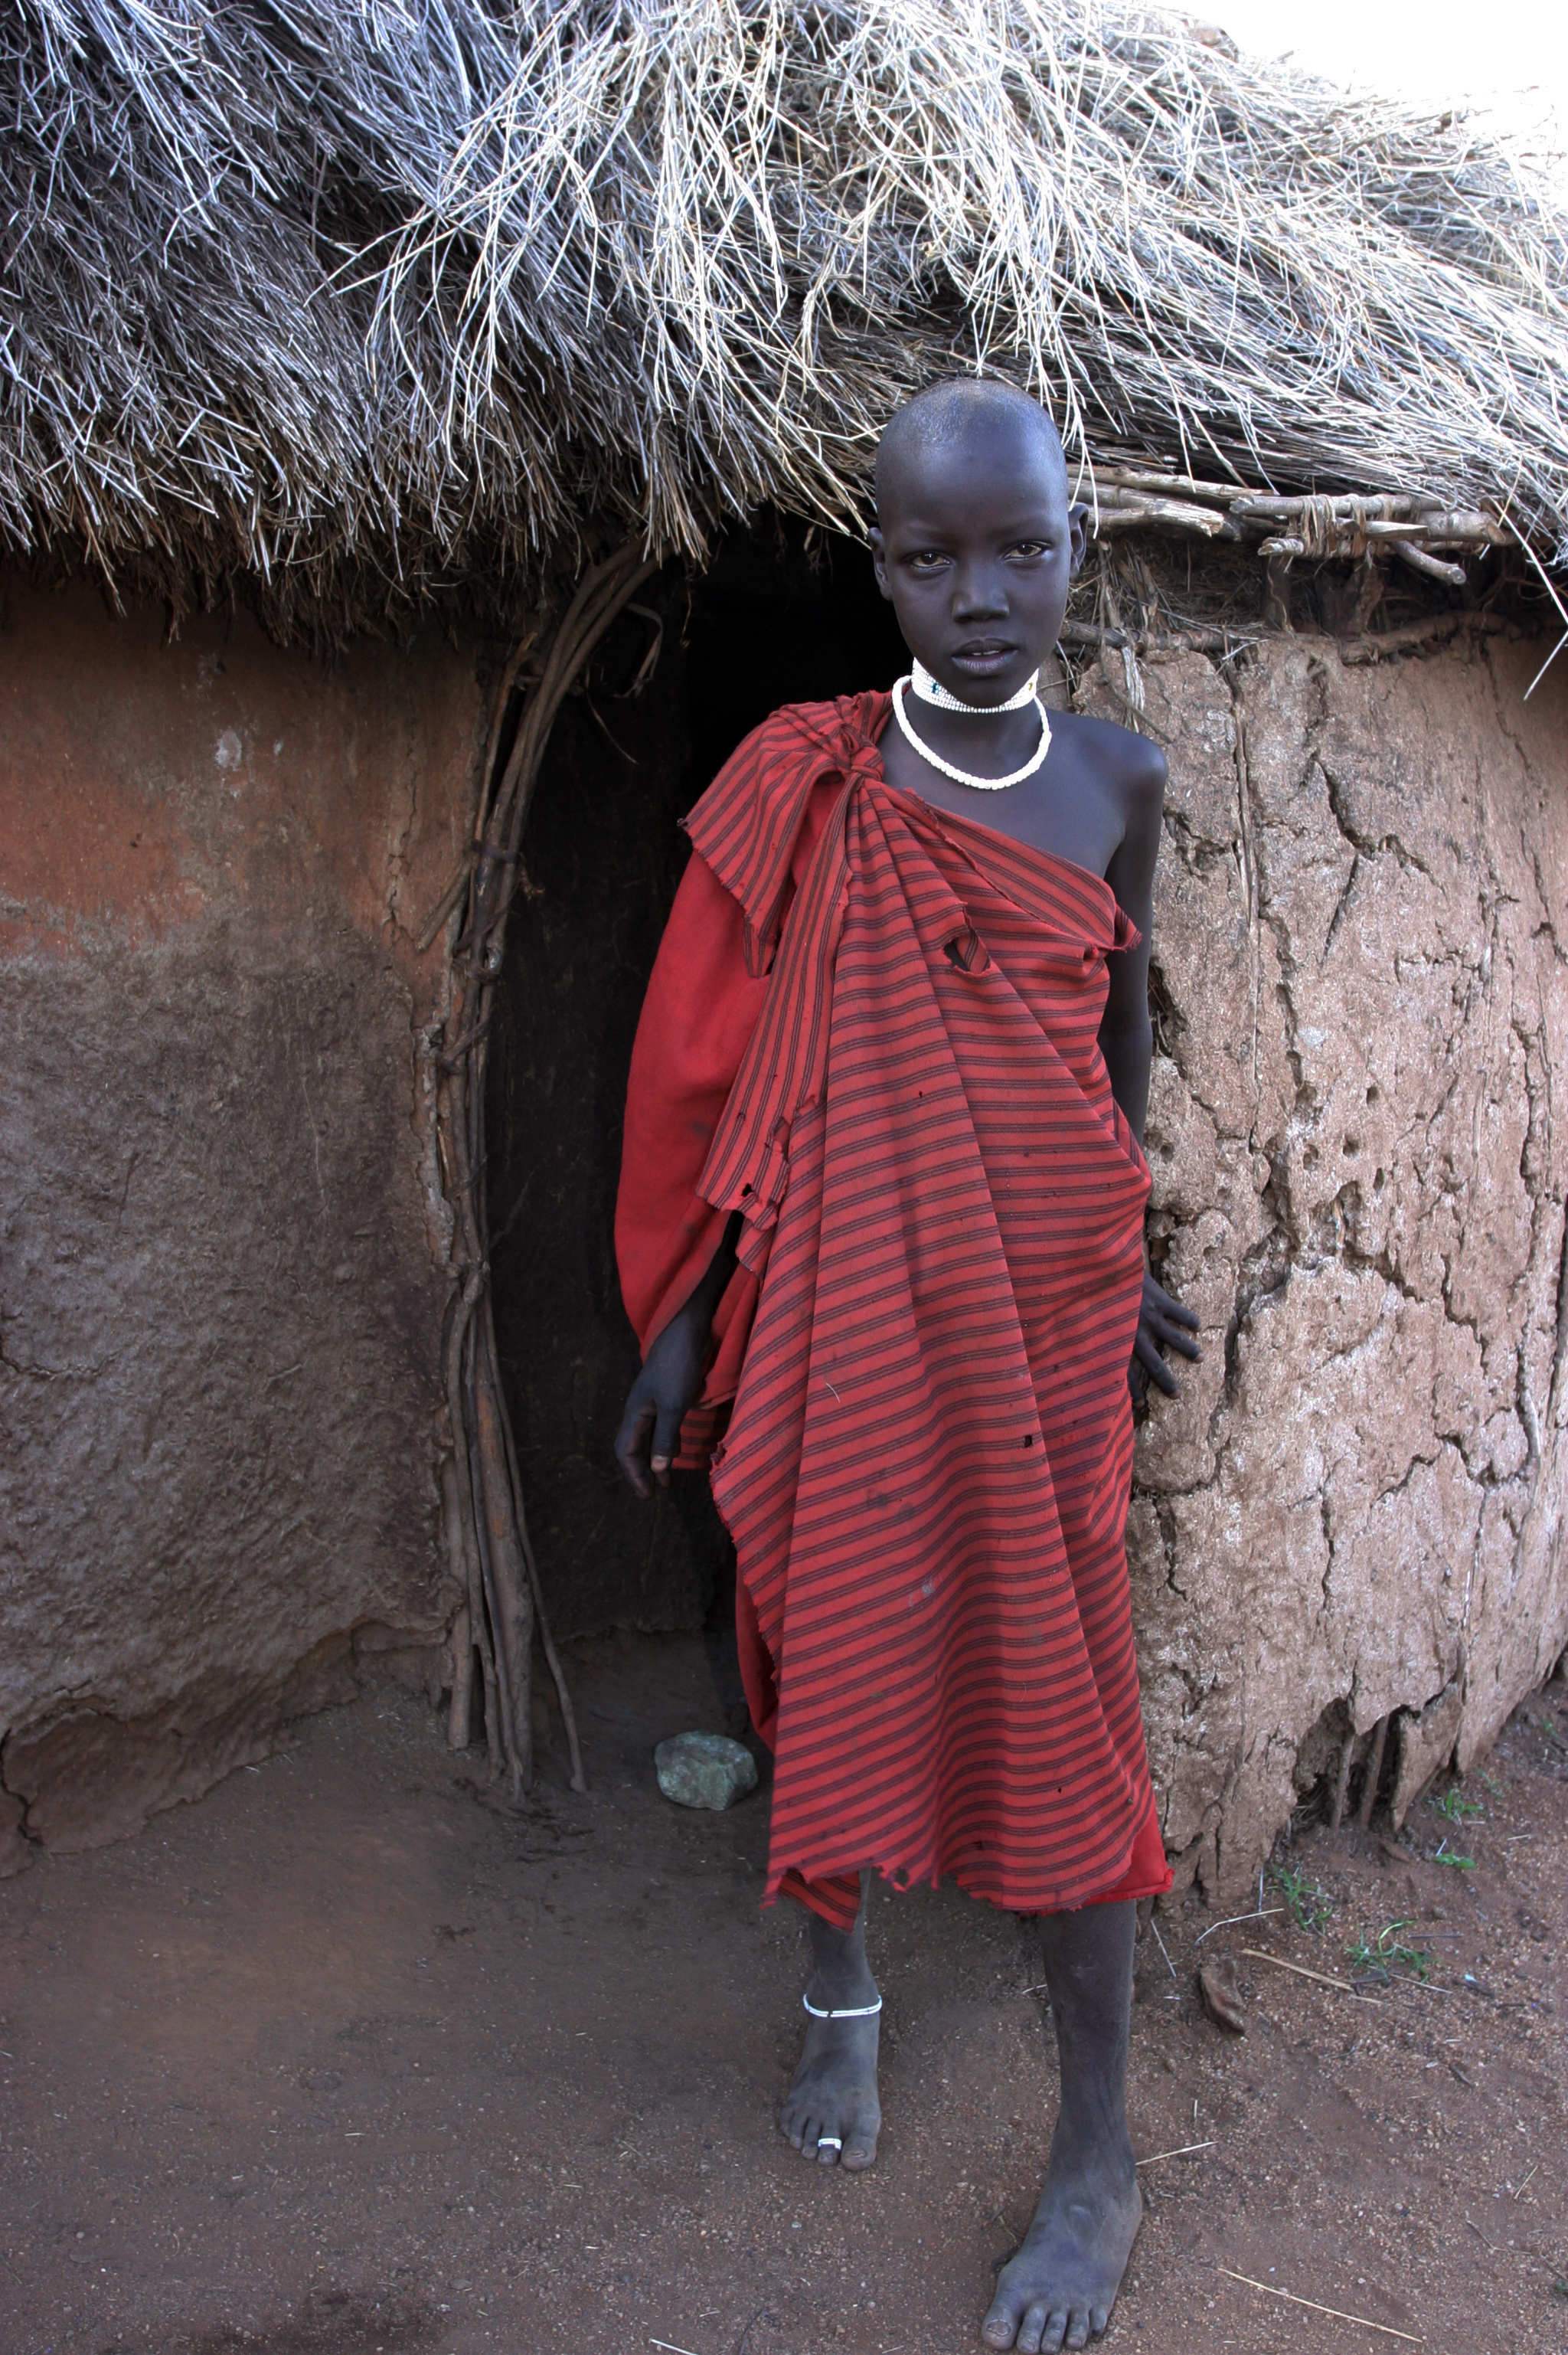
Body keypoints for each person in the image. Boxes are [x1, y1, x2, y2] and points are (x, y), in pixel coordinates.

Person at [613, 377, 1199, 2355]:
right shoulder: (816, 782)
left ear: (1072, 550)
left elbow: (1111, 1062)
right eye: (932, 555)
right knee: (835, 1637)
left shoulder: (1117, 785)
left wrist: (1134, 1261)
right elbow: (727, 1074)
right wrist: (685, 1314)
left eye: (1020, 548)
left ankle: (1100, 2149)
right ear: (879, 564)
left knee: (1068, 1701)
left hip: (1045, 1337)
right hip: (857, 1306)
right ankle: (845, 1990)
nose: (979, 592)